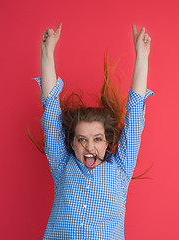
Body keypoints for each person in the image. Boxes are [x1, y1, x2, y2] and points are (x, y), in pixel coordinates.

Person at [33, 22, 153, 239]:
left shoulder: (121, 169)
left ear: (107, 141)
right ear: (72, 143)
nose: (89, 147)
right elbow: (51, 112)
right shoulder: (62, 165)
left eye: (97, 139)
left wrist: (142, 57)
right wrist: (47, 51)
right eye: (82, 139)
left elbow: (135, 117)